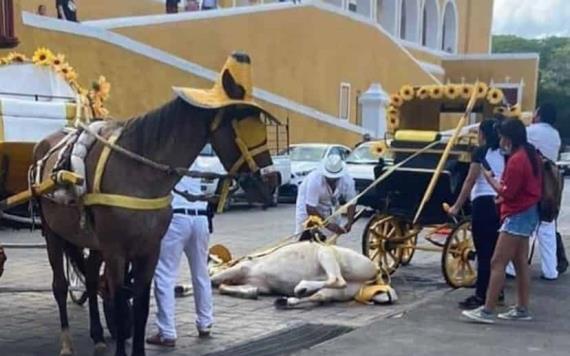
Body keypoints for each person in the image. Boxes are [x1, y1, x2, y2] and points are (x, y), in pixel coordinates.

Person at [462, 118, 542, 324]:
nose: (501, 141)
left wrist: (489, 179)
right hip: (527, 211)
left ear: (509, 137)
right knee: (520, 263)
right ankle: (522, 307)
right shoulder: (530, 154)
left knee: (497, 261)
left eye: (502, 137)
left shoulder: (517, 159)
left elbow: (507, 191)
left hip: (516, 215)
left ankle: (487, 310)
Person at [146, 162, 219, 347]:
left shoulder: (171, 156)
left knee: (165, 274)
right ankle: (205, 323)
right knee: (201, 273)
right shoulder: (199, 160)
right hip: (201, 216)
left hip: (176, 217)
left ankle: (167, 332)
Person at [448, 119, 505, 309]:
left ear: (482, 134)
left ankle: (481, 295)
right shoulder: (505, 153)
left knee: (483, 252)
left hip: (483, 202)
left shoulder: (480, 152)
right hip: (500, 203)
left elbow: (469, 181)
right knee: (497, 252)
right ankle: (498, 291)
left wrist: (456, 206)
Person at [295, 154, 356, 239]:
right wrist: (327, 225)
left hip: (330, 205)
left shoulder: (348, 181)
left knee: (330, 237)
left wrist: (350, 222)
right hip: (308, 205)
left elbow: (351, 202)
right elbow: (310, 208)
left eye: (335, 178)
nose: (332, 180)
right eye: (329, 177)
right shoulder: (314, 180)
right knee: (305, 234)